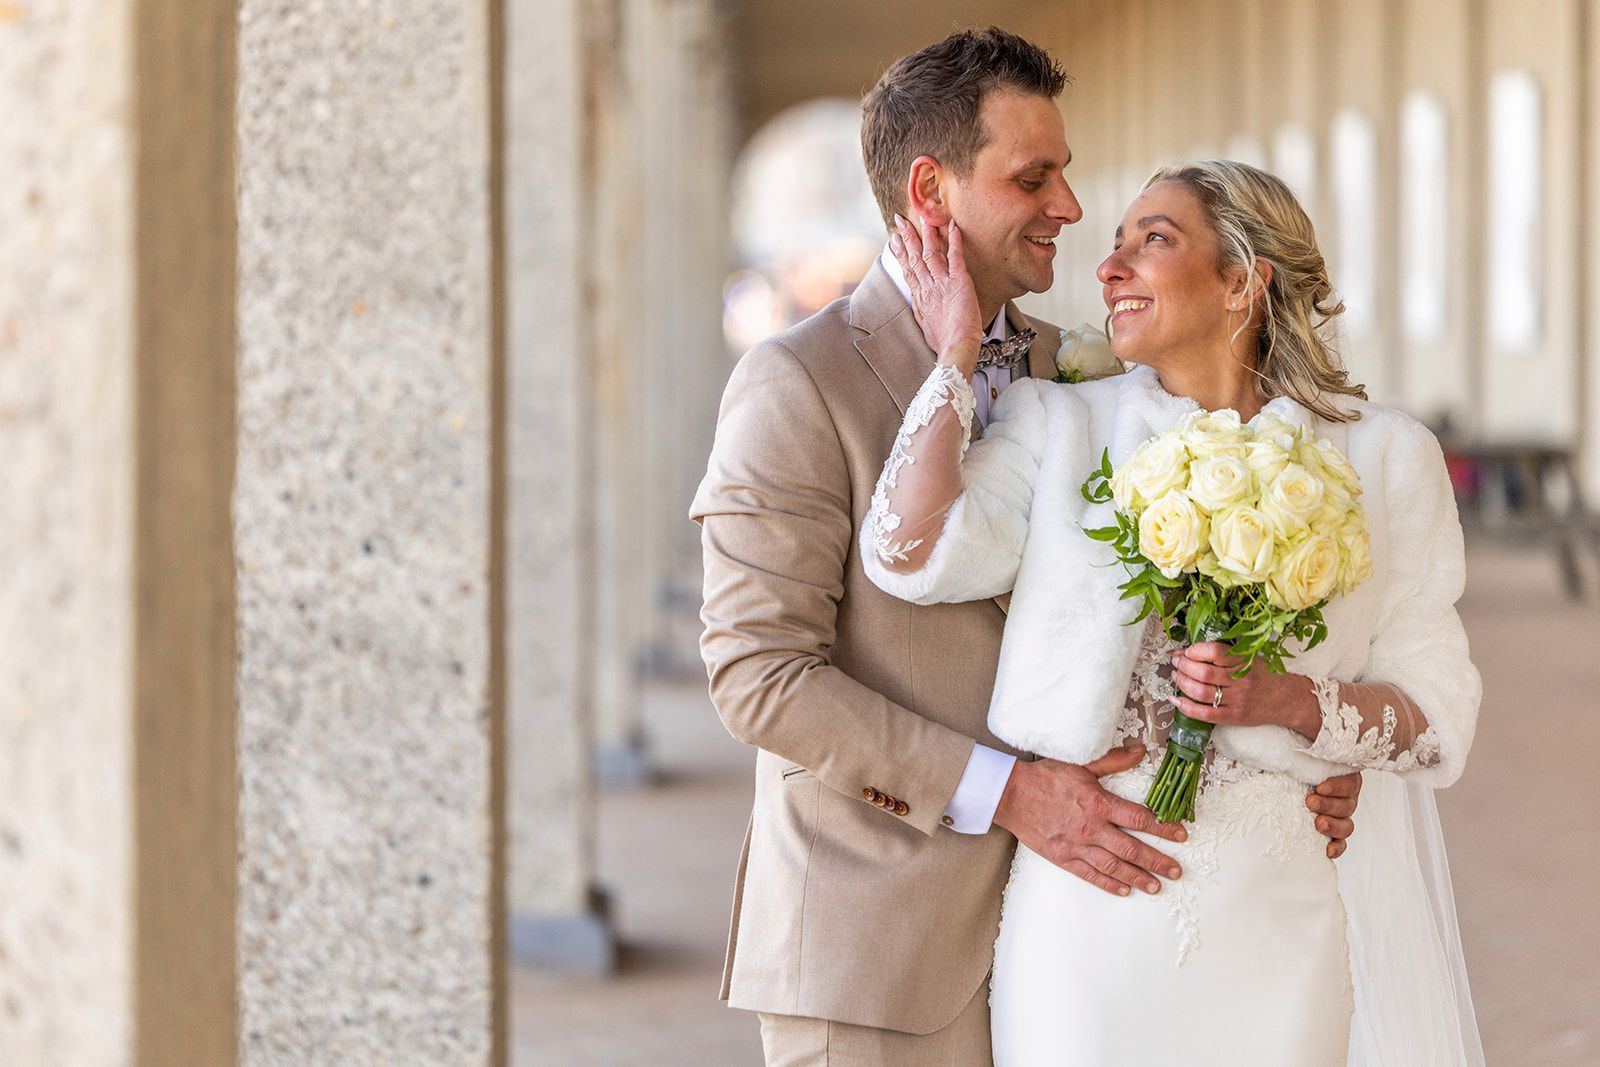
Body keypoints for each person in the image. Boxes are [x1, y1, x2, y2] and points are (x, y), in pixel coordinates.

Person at [691, 29, 1359, 1065]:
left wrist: (1291, 758)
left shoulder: (1084, 368)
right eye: (1032, 177)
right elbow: (758, 677)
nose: (1070, 208)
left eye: (1067, 173)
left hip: (1076, 947)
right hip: (879, 950)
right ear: (930, 189)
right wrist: (1006, 789)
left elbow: (1174, 622)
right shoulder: (796, 384)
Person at [865, 160, 1483, 1064]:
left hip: (1279, 916)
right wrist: (955, 350)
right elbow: (908, 554)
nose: (1111, 266)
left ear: (1242, 279)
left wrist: (1292, 703)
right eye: (1113, 244)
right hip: (1084, 919)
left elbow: (1439, 717)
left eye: (1152, 239)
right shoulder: (1058, 423)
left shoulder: (1387, 458)